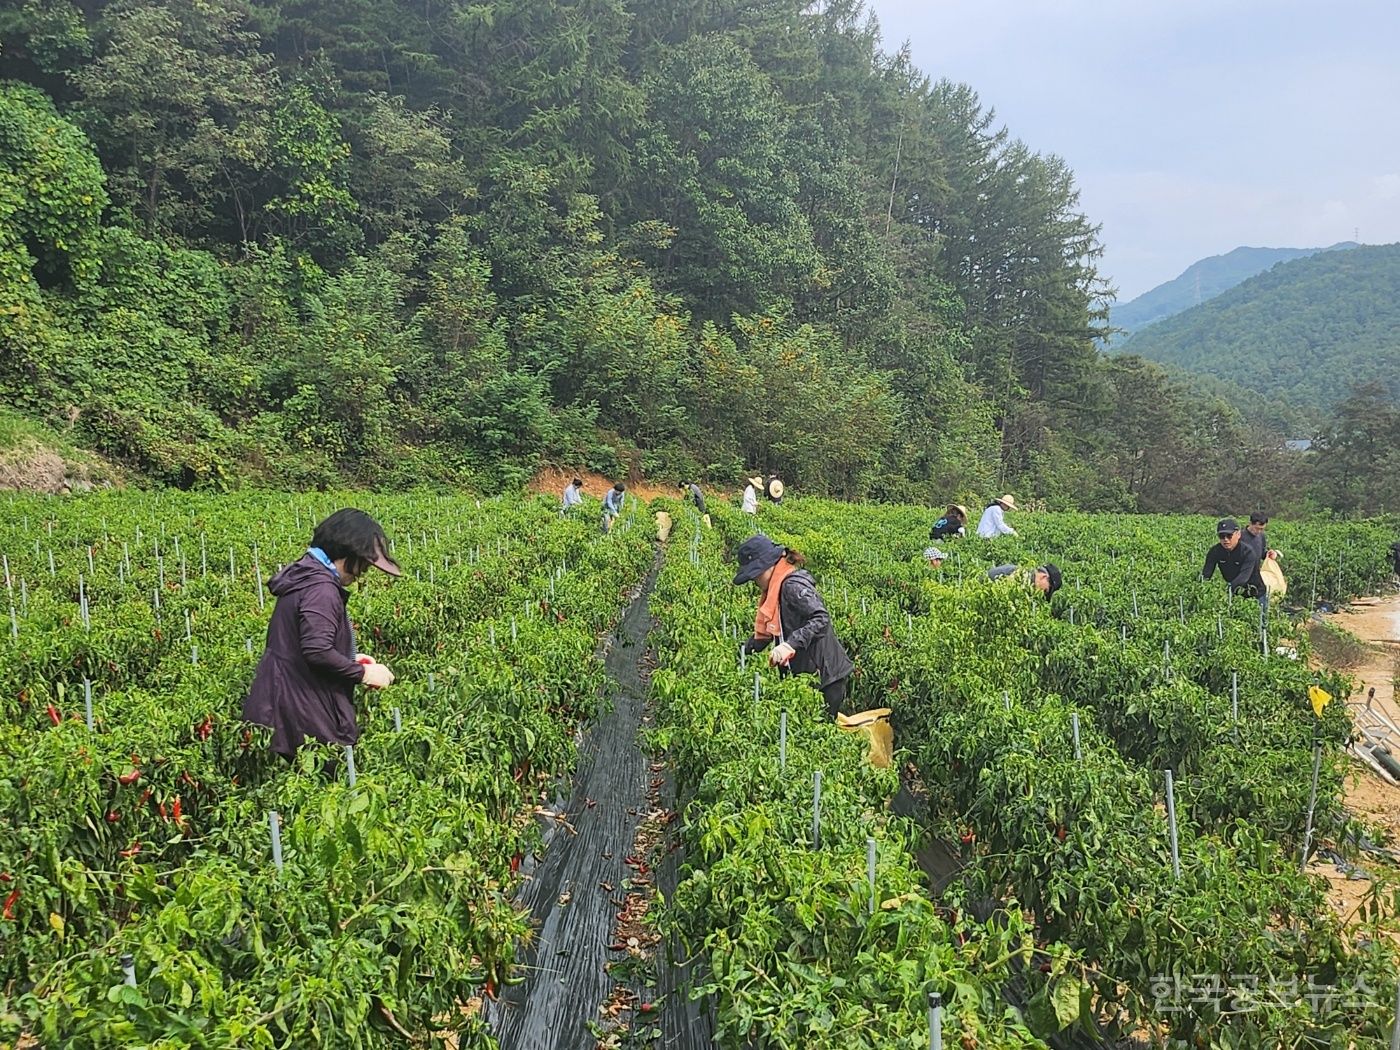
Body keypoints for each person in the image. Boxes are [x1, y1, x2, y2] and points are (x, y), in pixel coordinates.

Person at [243, 509, 400, 758]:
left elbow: (302, 641)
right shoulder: (321, 589)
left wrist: (348, 656)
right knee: (326, 773)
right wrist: (363, 673)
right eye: (363, 564)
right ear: (348, 553)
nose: (362, 573)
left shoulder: (305, 575)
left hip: (283, 697)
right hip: (300, 709)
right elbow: (317, 650)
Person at [734, 534, 853, 719]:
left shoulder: (792, 586)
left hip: (826, 677)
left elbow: (820, 618)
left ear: (768, 566)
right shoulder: (775, 590)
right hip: (808, 674)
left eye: (755, 575)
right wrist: (742, 651)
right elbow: (767, 634)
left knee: (819, 730)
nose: (755, 581)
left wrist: (790, 644)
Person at [1202, 518, 1266, 606]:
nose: (1225, 539)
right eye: (1221, 536)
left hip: (1255, 594)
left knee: (1259, 618)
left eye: (1229, 535)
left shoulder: (1248, 552)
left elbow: (1243, 577)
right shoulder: (1215, 551)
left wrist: (1225, 591)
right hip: (1235, 594)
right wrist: (1203, 590)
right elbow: (1206, 574)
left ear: (1238, 534)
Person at [988, 562, 1062, 599]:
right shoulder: (1019, 577)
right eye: (1045, 590)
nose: (1042, 593)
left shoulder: (1027, 581)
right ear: (1044, 577)